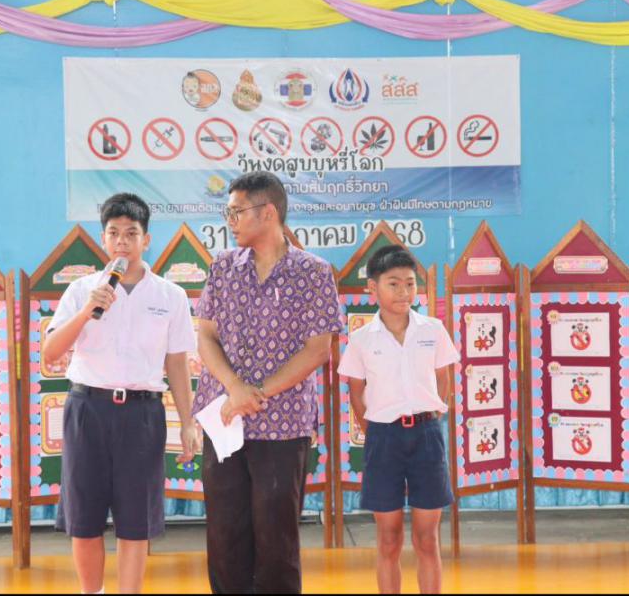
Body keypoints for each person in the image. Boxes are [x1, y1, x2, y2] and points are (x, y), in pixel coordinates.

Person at [42, 193, 198, 594]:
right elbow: (51, 352)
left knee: (135, 522)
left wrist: (189, 423)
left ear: (146, 240)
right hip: (87, 409)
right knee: (84, 519)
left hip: (142, 415)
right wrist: (87, 311)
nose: (122, 242)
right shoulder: (81, 290)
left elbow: (177, 364)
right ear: (103, 239)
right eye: (113, 233)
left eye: (131, 233)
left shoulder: (171, 296)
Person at [194, 171, 341, 594]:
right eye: (228, 212)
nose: (230, 220)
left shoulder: (313, 272)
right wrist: (235, 389)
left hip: (283, 424)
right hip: (225, 419)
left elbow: (317, 349)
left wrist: (257, 393)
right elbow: (206, 336)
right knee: (225, 533)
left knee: (277, 535)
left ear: (269, 212)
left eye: (237, 211)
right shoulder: (223, 266)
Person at [337, 244, 459, 594]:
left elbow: (444, 378)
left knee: (427, 538)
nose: (404, 291)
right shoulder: (361, 339)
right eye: (393, 283)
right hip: (384, 440)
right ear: (372, 288)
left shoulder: (433, 329)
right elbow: (356, 392)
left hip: (427, 437)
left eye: (410, 283)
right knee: (388, 539)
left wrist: (432, 412)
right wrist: (375, 428)